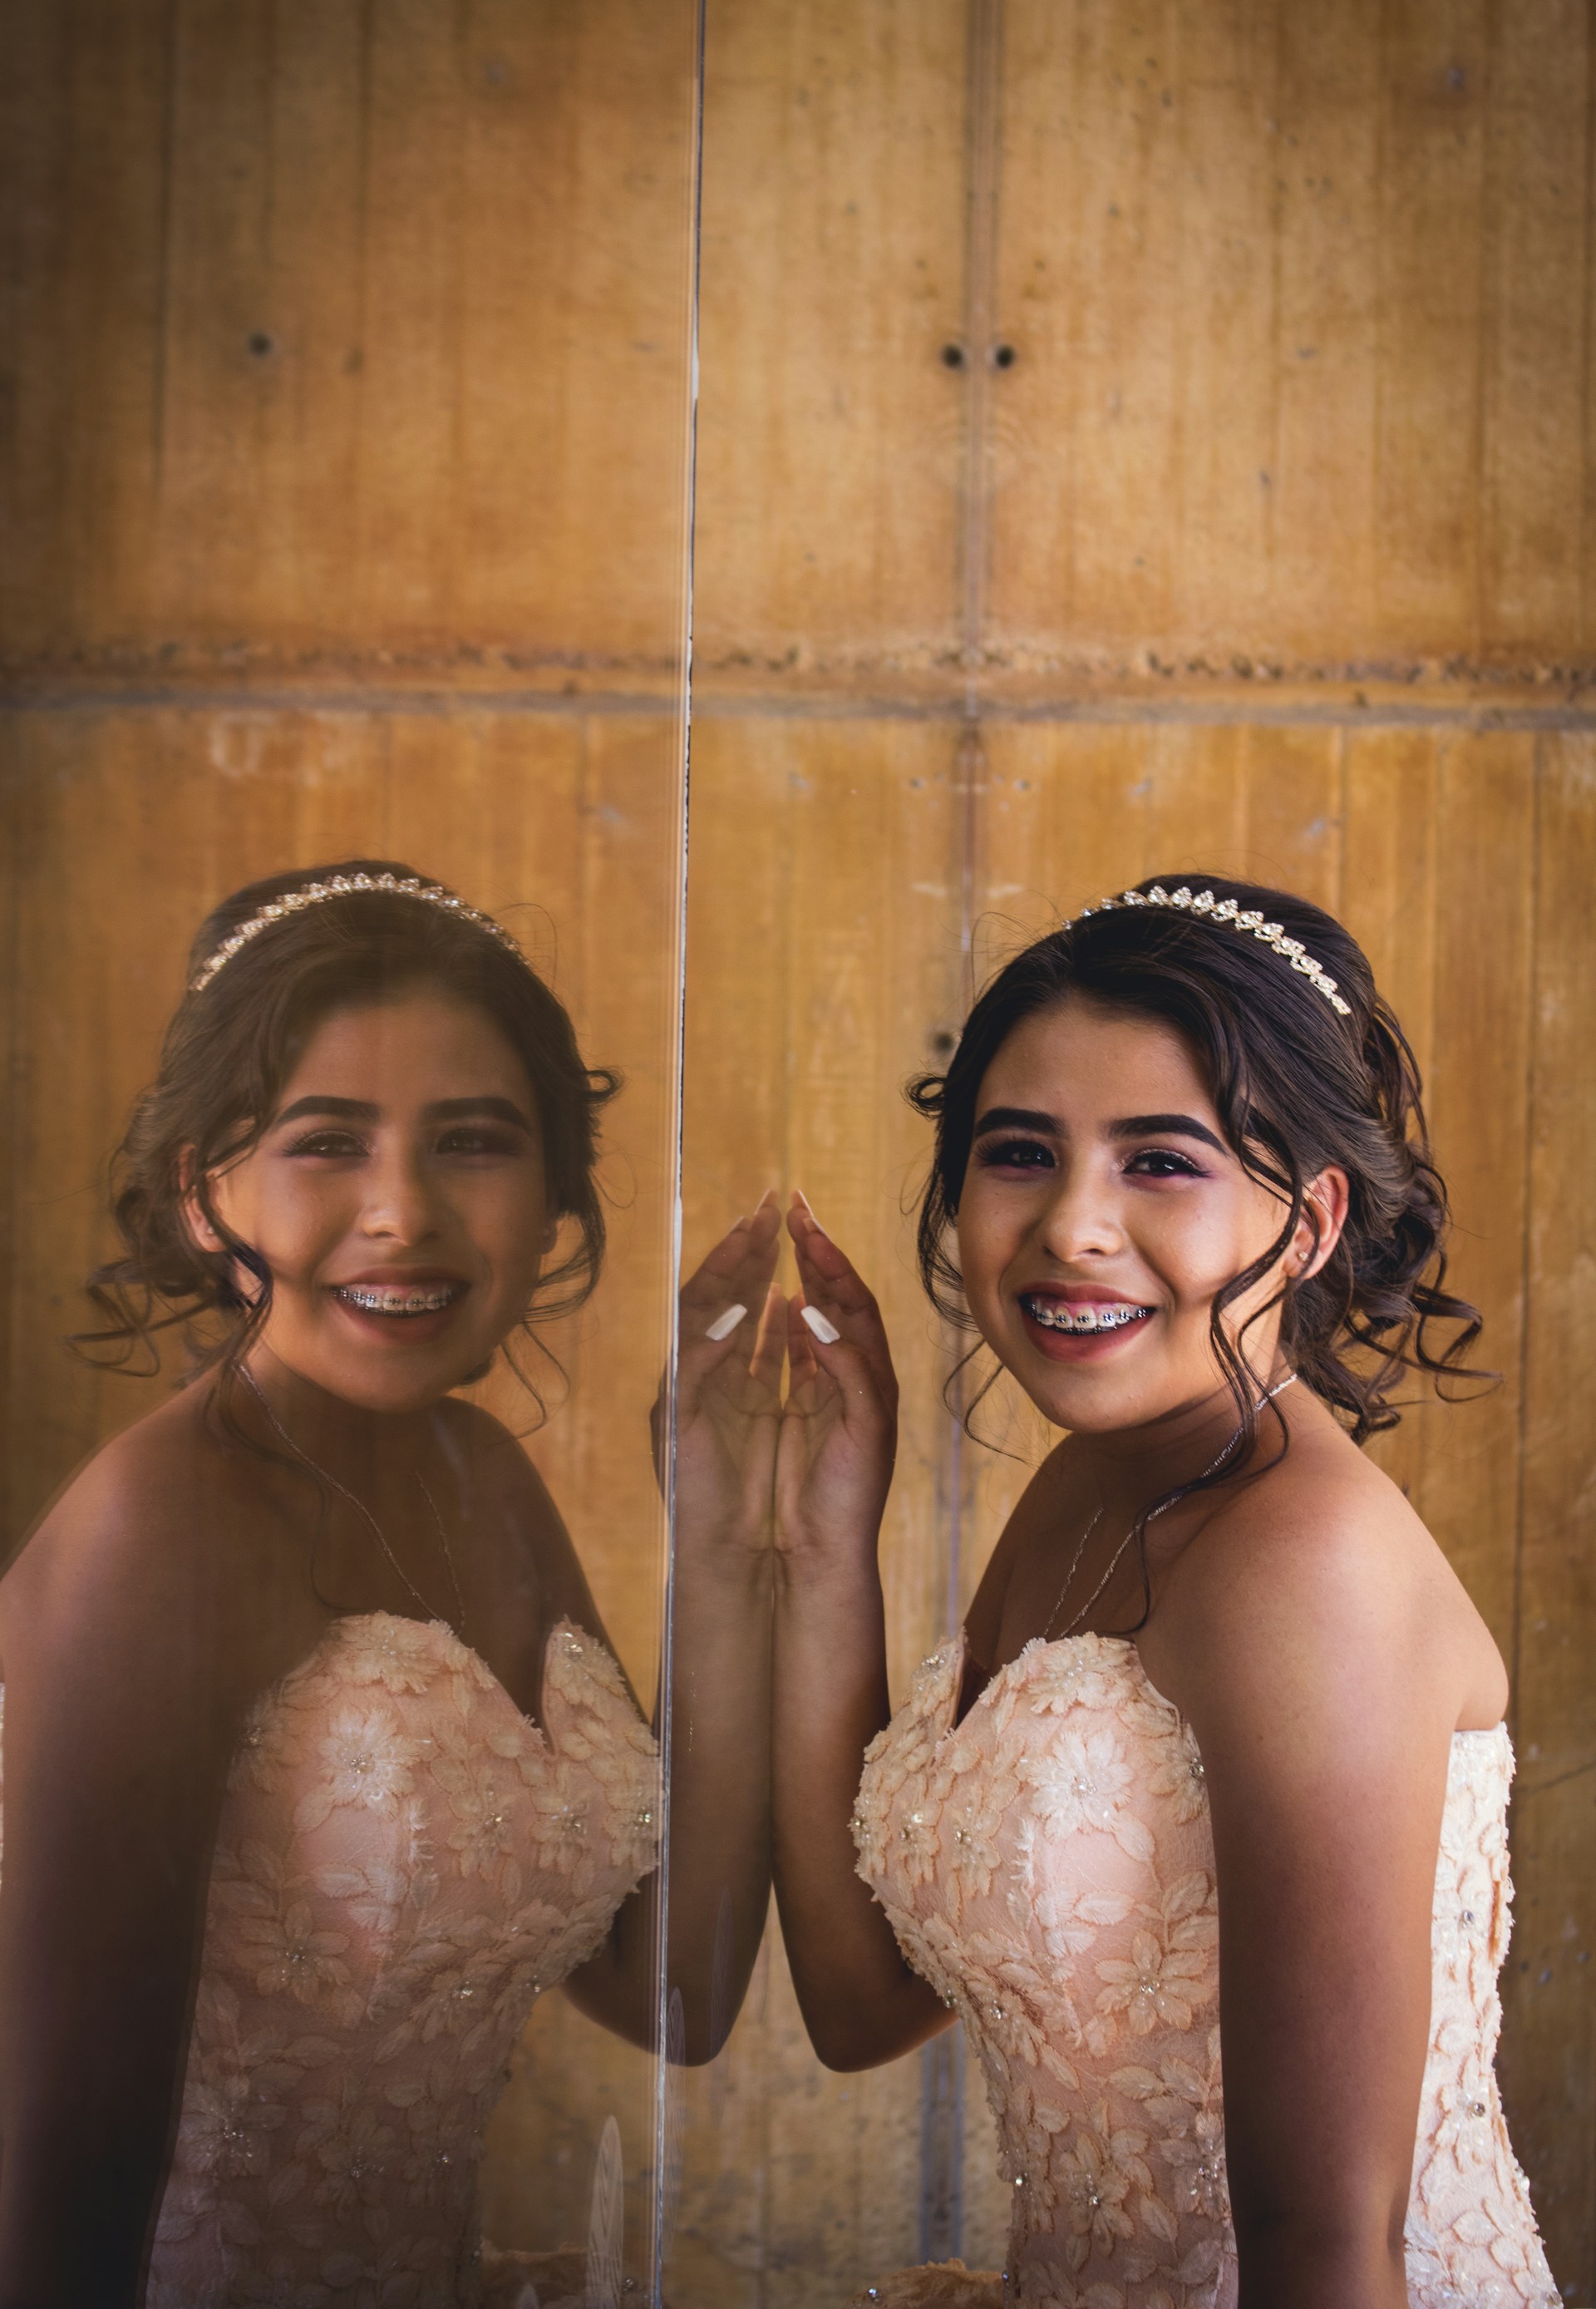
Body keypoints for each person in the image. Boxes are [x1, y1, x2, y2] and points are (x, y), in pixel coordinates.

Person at [768, 876, 1559, 2309]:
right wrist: (827, 1542)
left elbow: (1328, 2246)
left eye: (1161, 1162)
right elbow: (860, 2002)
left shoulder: (1302, 1563)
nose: (1072, 1225)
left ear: (1310, 1219)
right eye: (1020, 1152)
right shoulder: (1100, 1479)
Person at [0, 860, 776, 2309]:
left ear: (555, 1193)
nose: (402, 1213)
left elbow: (674, 1993)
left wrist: (724, 1541)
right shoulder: (161, 1530)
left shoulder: (485, 1483)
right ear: (203, 1192)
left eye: (473, 1142)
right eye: (326, 1144)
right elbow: (56, 2198)